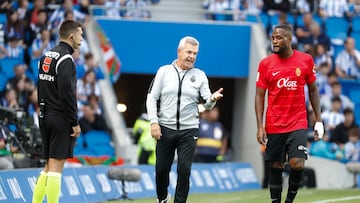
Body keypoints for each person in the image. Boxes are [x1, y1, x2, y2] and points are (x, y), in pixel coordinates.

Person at [146, 36, 223, 203]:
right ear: (179, 51)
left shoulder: (200, 75)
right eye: (189, 52)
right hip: (165, 128)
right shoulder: (164, 71)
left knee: (184, 169)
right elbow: (151, 98)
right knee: (161, 170)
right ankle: (163, 198)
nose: (192, 56)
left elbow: (207, 104)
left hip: (189, 130)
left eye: (195, 53)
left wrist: (212, 99)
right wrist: (154, 122)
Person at [255, 24, 324, 203]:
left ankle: (289, 201)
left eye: (279, 38)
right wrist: (260, 126)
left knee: (297, 164)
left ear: (289, 39)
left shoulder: (306, 60)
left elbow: (314, 91)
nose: (275, 41)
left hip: (298, 122)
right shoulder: (265, 64)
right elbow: (259, 96)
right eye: (273, 38)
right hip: (274, 124)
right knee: (276, 166)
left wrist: (319, 120)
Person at [32, 20, 82, 203]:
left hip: (44, 116)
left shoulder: (46, 56)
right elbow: (67, 93)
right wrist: (74, 122)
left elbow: (40, 87)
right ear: (71, 36)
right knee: (56, 167)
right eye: (80, 35)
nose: (81, 39)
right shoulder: (66, 59)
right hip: (60, 118)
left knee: (47, 166)